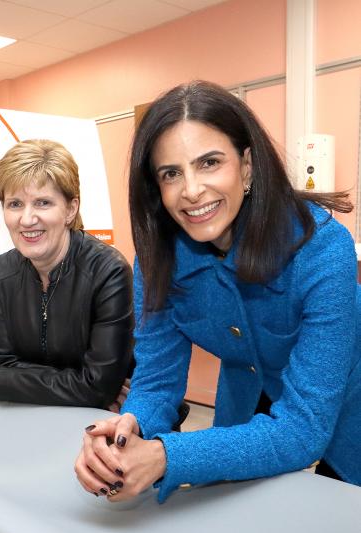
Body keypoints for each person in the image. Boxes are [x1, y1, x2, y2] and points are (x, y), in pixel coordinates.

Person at [74, 80, 361, 502]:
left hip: (344, 415)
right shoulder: (157, 260)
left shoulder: (321, 249)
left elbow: (302, 430)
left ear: (246, 165)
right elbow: (154, 381)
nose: (191, 190)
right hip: (246, 411)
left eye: (209, 162)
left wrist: (166, 456)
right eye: (171, 173)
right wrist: (124, 439)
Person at [0, 139, 134, 410]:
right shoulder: (3, 271)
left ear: (70, 209)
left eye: (42, 203)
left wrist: (8, 382)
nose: (26, 219)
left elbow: (98, 387)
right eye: (14, 204)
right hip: (37, 414)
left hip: (108, 420)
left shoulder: (108, 271)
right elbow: (3, 363)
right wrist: (80, 385)